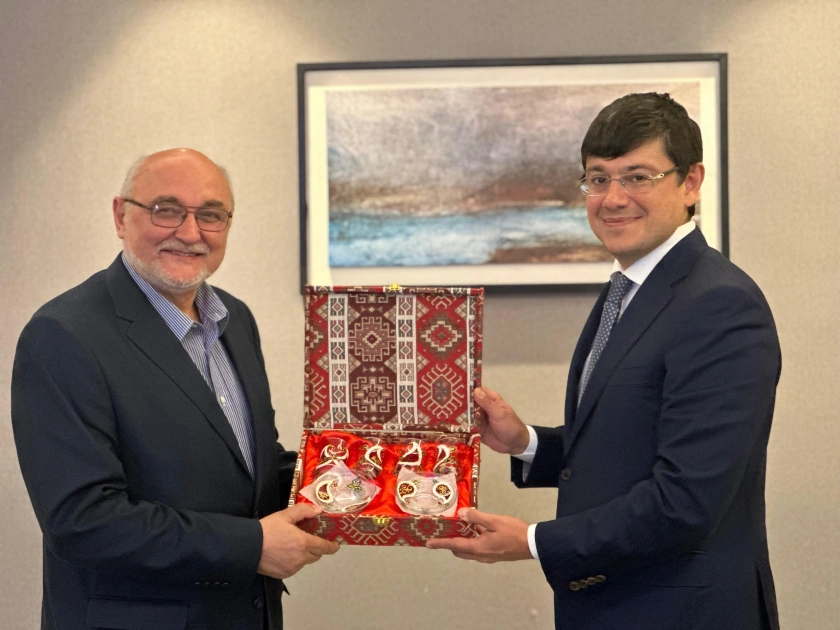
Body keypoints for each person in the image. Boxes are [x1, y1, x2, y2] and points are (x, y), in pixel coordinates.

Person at [428, 93, 781, 630]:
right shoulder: (630, 288)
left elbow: (685, 501)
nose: (613, 198)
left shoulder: (720, 304)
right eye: (598, 179)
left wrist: (533, 541)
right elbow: (628, 448)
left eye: (637, 177)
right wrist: (526, 442)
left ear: (690, 182)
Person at [11, 148, 339, 630]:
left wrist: (356, 481)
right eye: (166, 210)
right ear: (121, 216)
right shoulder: (64, 334)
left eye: (211, 215)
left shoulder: (234, 318)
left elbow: (251, 468)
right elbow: (82, 521)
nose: (189, 233)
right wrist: (252, 546)